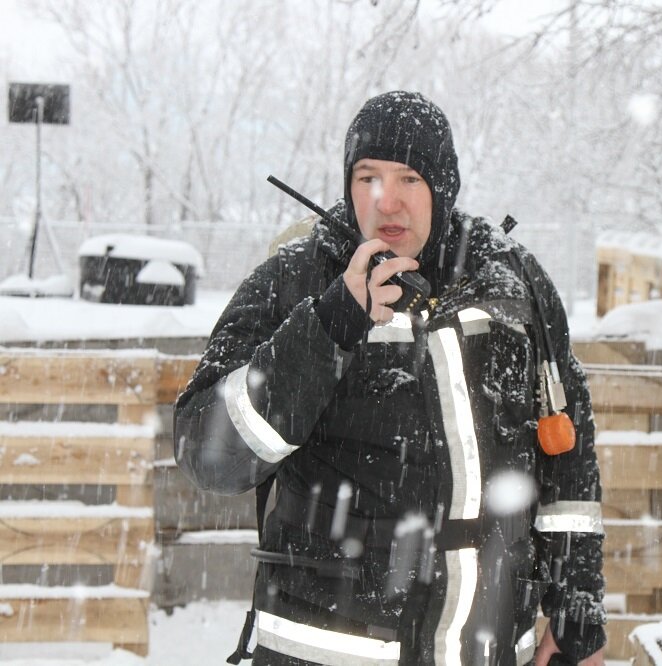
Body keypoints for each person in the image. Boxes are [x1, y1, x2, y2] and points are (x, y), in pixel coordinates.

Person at [174, 91, 606, 666]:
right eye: (367, 176)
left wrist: (576, 607)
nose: (387, 201)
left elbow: (566, 457)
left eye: (410, 179)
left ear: (443, 188)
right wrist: (330, 327)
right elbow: (208, 453)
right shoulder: (293, 280)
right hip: (324, 650)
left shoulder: (512, 283)